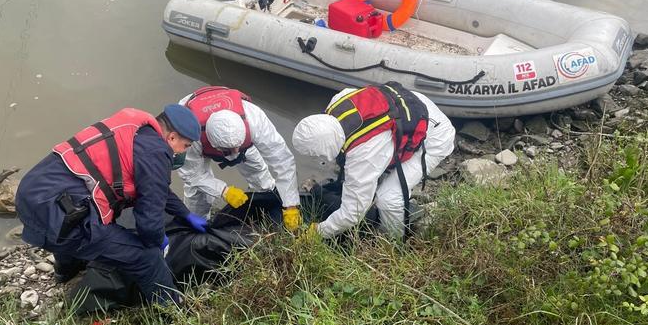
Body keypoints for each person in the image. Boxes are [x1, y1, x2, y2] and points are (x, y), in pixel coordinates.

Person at [15, 105, 209, 305]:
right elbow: (149, 224)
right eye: (185, 146)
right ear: (172, 137)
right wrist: (159, 240)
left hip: (32, 194)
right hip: (56, 212)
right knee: (147, 258)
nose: (182, 152)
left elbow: (154, 187)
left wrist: (185, 214)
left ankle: (65, 273)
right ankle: (172, 310)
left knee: (69, 223)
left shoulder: (137, 131)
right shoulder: (157, 152)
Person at [291, 82, 455, 239]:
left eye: (316, 153)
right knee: (372, 181)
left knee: (389, 198)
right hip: (409, 106)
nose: (317, 157)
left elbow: (352, 214)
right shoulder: (336, 103)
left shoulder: (365, 154)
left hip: (433, 136)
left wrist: (317, 232)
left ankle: (393, 242)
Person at [178, 86, 302, 231]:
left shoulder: (254, 119)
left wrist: (291, 204)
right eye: (228, 151)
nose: (235, 153)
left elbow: (282, 161)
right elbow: (192, 175)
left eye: (237, 147)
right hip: (199, 131)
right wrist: (223, 191)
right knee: (197, 194)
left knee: (260, 177)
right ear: (212, 143)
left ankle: (264, 202)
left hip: (242, 141)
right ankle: (198, 226)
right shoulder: (189, 132)